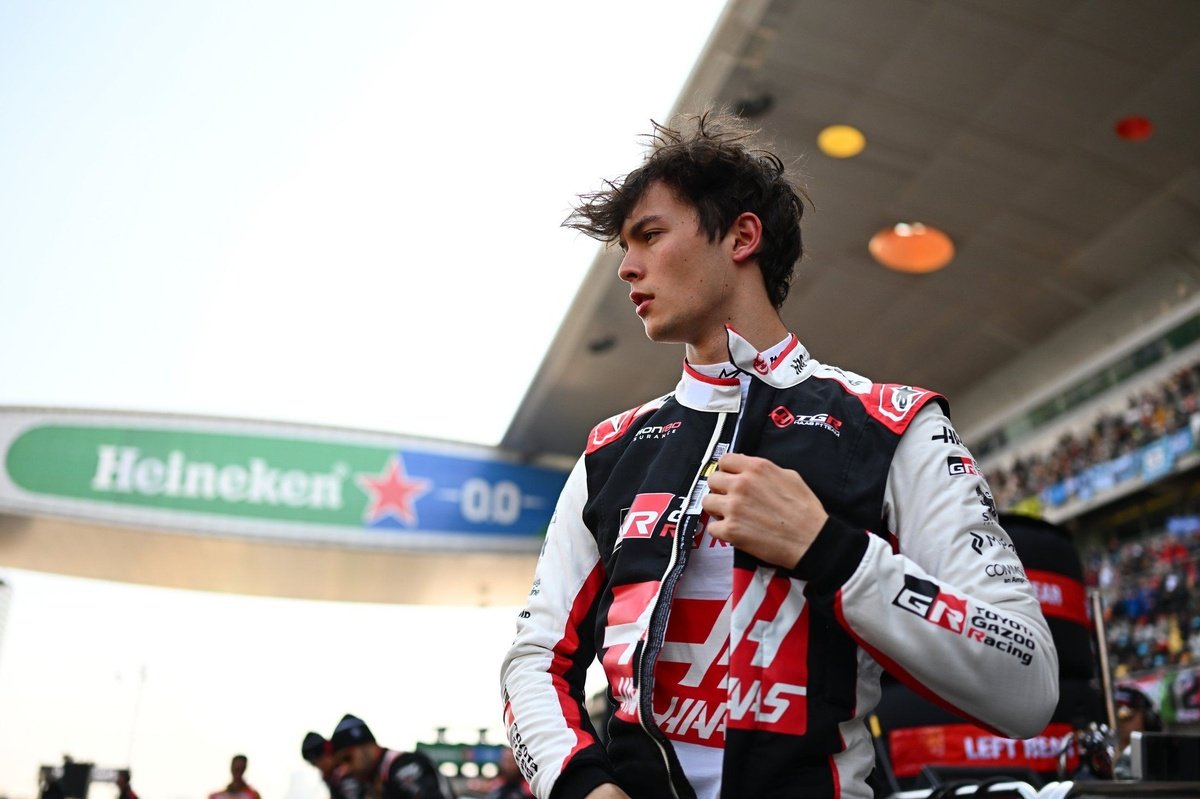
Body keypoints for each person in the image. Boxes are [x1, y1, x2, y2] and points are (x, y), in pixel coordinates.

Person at [499, 111, 1060, 799]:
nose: (626, 267)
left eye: (649, 234)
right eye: (624, 245)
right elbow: (534, 659)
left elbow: (1029, 682)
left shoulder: (893, 425)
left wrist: (829, 550)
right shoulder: (610, 452)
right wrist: (582, 786)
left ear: (742, 236)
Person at [330, 714, 455, 799]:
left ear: (366, 747)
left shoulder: (401, 767)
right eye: (338, 765)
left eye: (347, 758)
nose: (344, 769)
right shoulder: (373, 778)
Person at [304, 731, 365, 799]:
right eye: (314, 764)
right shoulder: (332, 776)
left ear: (329, 750)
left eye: (321, 759)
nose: (320, 766)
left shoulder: (344, 774)